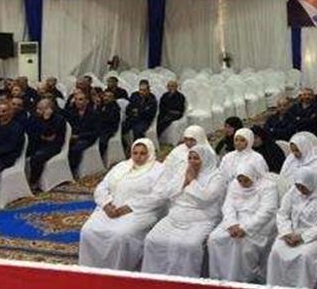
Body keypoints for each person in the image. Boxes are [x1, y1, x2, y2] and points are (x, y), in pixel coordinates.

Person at [78, 139, 165, 270]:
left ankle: (118, 271)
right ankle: (90, 269)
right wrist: (106, 205)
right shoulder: (121, 166)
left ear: (150, 153)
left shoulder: (159, 170)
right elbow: (102, 187)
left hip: (139, 211)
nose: (138, 157)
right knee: (88, 230)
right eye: (135, 153)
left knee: (120, 235)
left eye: (143, 153)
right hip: (111, 208)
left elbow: (159, 197)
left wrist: (129, 207)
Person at [142, 144, 226, 277]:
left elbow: (206, 198)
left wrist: (192, 181)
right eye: (190, 158)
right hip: (176, 216)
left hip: (201, 219)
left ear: (205, 159)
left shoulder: (216, 177)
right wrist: (184, 182)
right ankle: (154, 277)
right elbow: (168, 192)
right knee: (152, 240)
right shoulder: (184, 171)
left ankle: (184, 278)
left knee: (189, 245)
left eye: (196, 158)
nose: (192, 161)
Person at [267, 168, 317, 288]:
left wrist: (302, 237)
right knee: (276, 251)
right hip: (293, 232)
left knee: (305, 255)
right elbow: (282, 213)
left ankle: (302, 286)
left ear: (311, 183)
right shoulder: (294, 191)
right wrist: (286, 232)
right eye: (298, 186)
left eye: (303, 187)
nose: (300, 190)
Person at [207, 162, 278, 283]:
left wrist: (245, 228)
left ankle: (240, 279)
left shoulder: (268, 186)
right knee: (214, 238)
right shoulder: (234, 184)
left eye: (246, 180)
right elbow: (228, 205)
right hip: (235, 220)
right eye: (240, 180)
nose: (242, 183)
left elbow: (267, 211)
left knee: (240, 242)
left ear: (253, 176)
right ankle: (219, 277)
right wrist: (232, 224)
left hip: (258, 224)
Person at [26, 99, 67, 188]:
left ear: (49, 109)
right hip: (35, 143)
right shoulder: (34, 117)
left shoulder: (59, 119)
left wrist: (46, 120)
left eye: (40, 109)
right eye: (37, 108)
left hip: (53, 146)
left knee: (37, 157)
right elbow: (30, 132)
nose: (37, 111)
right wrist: (42, 136)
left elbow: (50, 136)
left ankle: (33, 182)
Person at [67, 90, 100, 174]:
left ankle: (72, 170)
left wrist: (79, 136)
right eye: (76, 99)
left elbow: (96, 132)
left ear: (87, 101)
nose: (78, 102)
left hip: (87, 138)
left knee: (75, 149)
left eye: (81, 99)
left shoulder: (94, 114)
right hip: (73, 136)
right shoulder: (72, 112)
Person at [121, 80, 157, 144]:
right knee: (120, 128)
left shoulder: (152, 99)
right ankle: (125, 145)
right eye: (140, 90)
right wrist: (140, 110)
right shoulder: (134, 95)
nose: (141, 92)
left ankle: (137, 146)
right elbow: (128, 108)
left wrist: (138, 111)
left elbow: (150, 113)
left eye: (144, 90)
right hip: (132, 118)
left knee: (138, 131)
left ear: (148, 90)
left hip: (144, 120)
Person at [97, 90, 121, 158]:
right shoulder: (101, 105)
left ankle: (101, 157)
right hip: (99, 127)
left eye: (109, 97)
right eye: (105, 96)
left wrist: (100, 114)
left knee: (102, 141)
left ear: (113, 98)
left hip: (109, 129)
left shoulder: (115, 108)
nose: (106, 98)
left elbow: (109, 120)